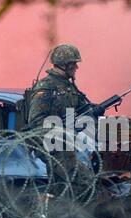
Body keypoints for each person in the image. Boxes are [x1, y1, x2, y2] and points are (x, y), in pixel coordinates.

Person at [26, 44, 102, 204]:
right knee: (84, 180)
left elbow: (81, 109)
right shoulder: (46, 87)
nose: (77, 68)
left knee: (61, 188)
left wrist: (95, 110)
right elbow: (36, 121)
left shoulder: (68, 86)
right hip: (51, 144)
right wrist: (61, 132)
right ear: (64, 64)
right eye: (74, 64)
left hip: (66, 144)